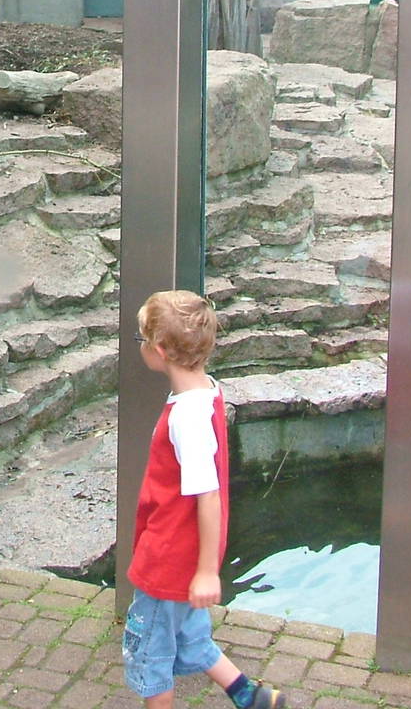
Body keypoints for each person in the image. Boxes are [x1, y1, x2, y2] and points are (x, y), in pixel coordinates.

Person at [123, 289, 285, 709]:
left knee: (149, 651)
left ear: (159, 351)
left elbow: (207, 495)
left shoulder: (187, 418)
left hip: (170, 554)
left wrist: (206, 572)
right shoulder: (205, 391)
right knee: (189, 633)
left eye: (141, 340)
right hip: (182, 551)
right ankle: (251, 697)